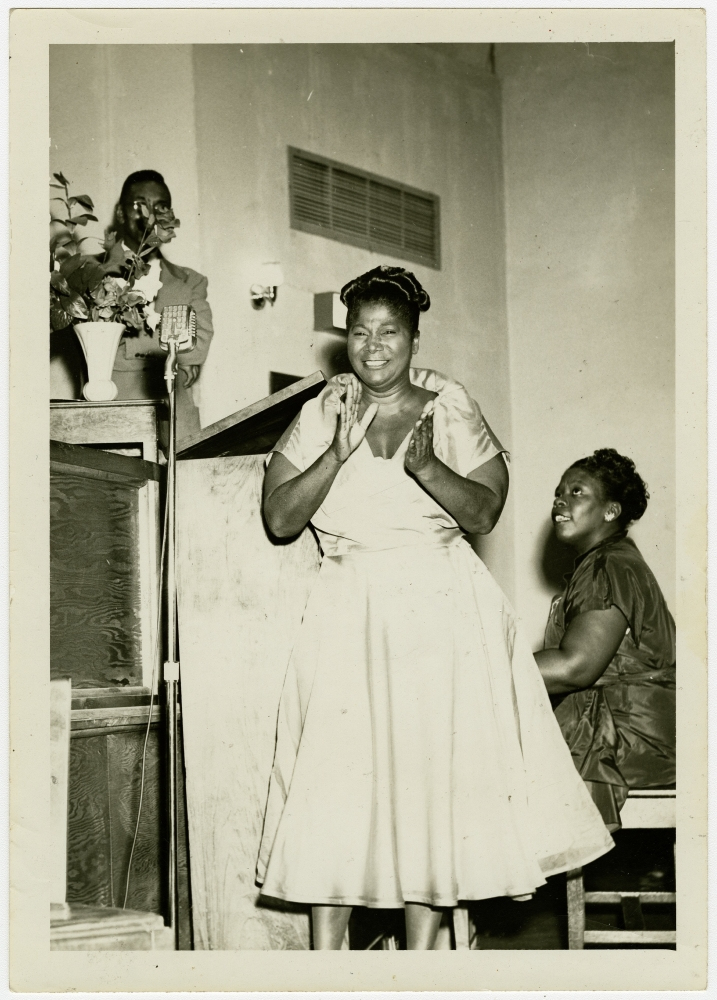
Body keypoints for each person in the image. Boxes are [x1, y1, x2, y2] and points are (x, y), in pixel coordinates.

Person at [256, 265, 613, 950]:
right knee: (335, 783)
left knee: (427, 784)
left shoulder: (447, 405)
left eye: (389, 332)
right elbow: (278, 518)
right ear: (345, 339)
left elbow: (483, 512)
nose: (373, 346)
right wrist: (336, 453)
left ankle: (419, 964)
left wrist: (426, 468)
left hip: (437, 613)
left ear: (414, 339)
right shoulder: (322, 410)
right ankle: (326, 965)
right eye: (359, 332)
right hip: (348, 609)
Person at [534, 449, 676, 831]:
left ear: (610, 512)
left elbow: (575, 667)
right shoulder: (611, 560)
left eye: (577, 492)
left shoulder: (608, 565)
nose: (560, 500)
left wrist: (484, 666)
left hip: (634, 743)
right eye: (558, 492)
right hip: (648, 737)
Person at [110, 169, 214, 446]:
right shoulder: (93, 273)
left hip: (177, 422)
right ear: (121, 214)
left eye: (160, 207)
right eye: (139, 204)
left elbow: (199, 343)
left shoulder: (190, 281)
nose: (150, 214)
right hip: (114, 414)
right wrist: (172, 354)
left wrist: (132, 348)